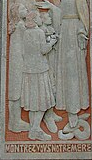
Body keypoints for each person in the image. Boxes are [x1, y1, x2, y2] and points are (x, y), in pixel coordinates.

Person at [37, 0, 89, 130]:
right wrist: (51, 7)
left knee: (73, 71)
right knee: (64, 71)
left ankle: (74, 110)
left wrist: (81, 32)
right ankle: (66, 106)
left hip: (74, 33)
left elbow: (83, 14)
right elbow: (61, 13)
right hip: (64, 32)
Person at [20, 11, 57, 140]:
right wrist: (52, 43)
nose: (41, 19)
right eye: (38, 17)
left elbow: (26, 51)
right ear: (35, 20)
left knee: (32, 102)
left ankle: (33, 129)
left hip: (28, 70)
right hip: (40, 69)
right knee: (42, 101)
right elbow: (43, 50)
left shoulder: (26, 33)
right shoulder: (39, 32)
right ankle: (35, 129)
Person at [8, 0, 36, 132]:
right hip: (18, 53)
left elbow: (33, 16)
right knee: (15, 85)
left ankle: (20, 120)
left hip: (26, 51)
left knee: (24, 85)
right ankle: (14, 121)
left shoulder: (31, 0)